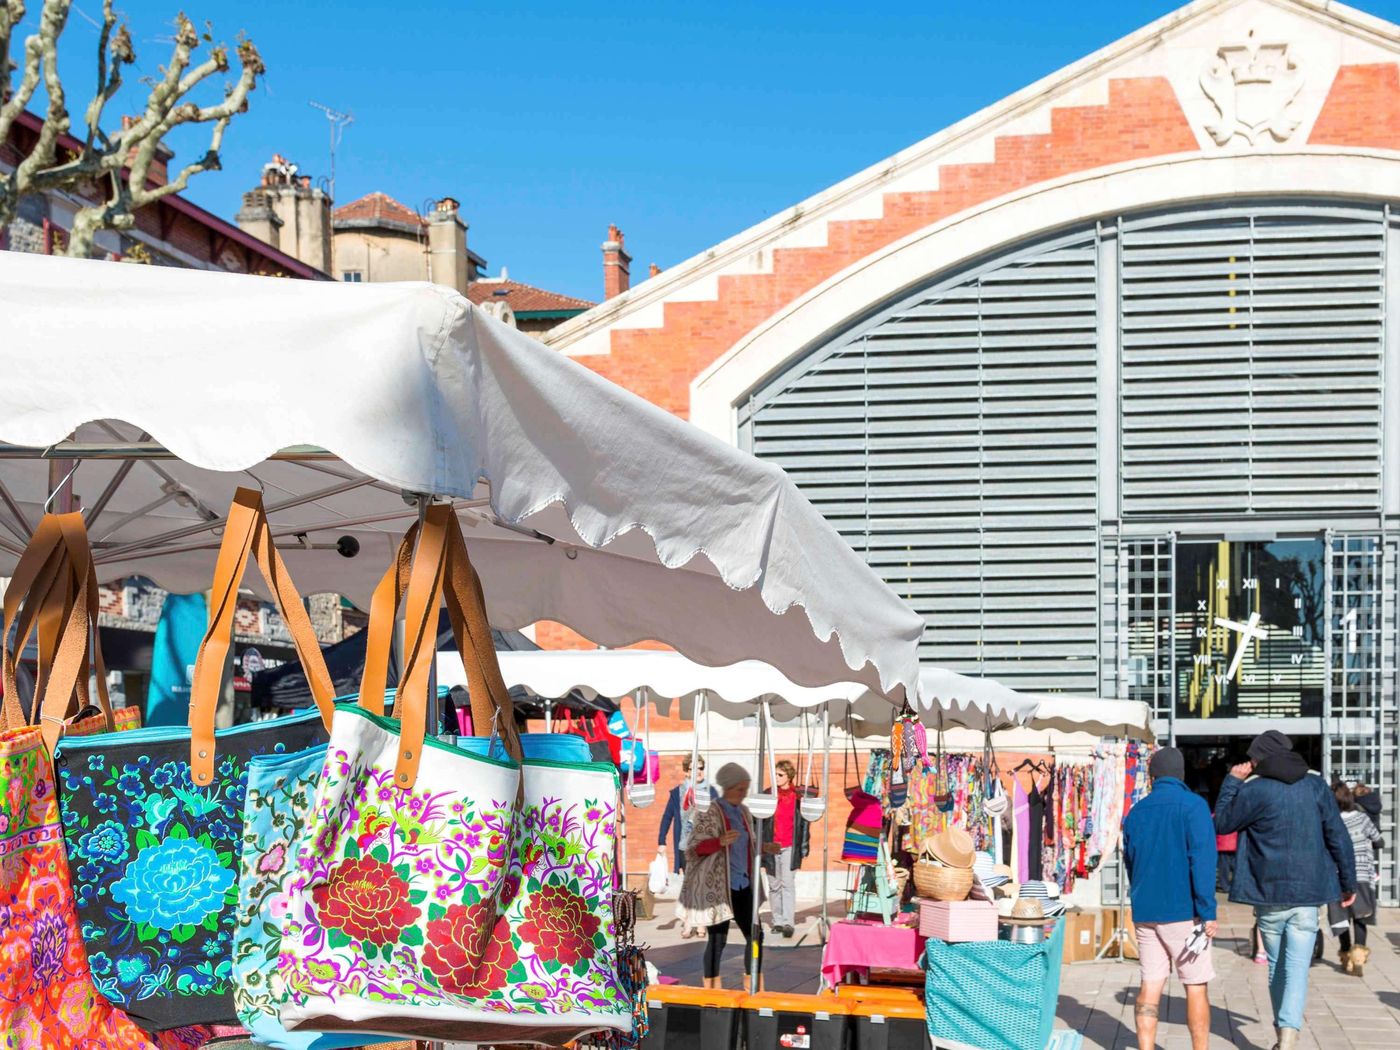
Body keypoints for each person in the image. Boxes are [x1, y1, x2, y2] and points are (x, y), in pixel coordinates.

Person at [1215, 730, 1356, 1050]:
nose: (1249, 762)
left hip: (1268, 893)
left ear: (1261, 757)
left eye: (1253, 757)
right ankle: (1288, 1037)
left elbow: (1222, 823)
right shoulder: (1316, 786)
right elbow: (1338, 836)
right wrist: (1348, 883)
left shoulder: (1255, 790)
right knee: (1296, 969)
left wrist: (1232, 782)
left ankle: (1284, 1034)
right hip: (1308, 894)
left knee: (1277, 967)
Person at [1121, 747, 1218, 1050]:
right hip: (1183, 913)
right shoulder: (1194, 806)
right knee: (1195, 986)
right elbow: (1202, 860)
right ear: (1181, 775)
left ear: (1152, 776)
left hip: (1146, 911)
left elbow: (1131, 862)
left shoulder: (1136, 812)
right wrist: (1208, 910)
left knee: (1150, 984)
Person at [679, 762, 764, 991]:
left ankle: (753, 982)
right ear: (727, 787)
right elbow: (693, 848)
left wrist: (765, 848)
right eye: (739, 789)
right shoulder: (709, 812)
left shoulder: (744, 812)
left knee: (756, 935)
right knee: (718, 941)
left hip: (743, 883)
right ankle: (712, 987)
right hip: (720, 886)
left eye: (746, 789)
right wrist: (719, 842)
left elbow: (749, 843)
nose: (743, 793)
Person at [1328, 782, 1382, 976]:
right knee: (1361, 918)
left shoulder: (1331, 821)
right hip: (1362, 874)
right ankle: (1358, 957)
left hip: (1337, 875)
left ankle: (1344, 956)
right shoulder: (1362, 818)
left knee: (1342, 918)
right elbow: (1378, 839)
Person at [658, 755, 709, 938]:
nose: (700, 772)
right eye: (696, 768)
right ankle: (688, 923)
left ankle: (701, 923)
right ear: (688, 771)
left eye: (702, 768)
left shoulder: (709, 792)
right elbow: (667, 817)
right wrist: (661, 841)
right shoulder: (678, 793)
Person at [762, 759, 810, 938]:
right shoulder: (768, 795)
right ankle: (778, 922)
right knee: (774, 885)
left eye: (780, 775)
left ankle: (788, 922)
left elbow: (804, 824)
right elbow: (758, 820)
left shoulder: (798, 797)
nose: (776, 778)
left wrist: (804, 846)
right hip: (771, 845)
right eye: (775, 774)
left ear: (789, 776)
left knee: (787, 884)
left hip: (790, 845)